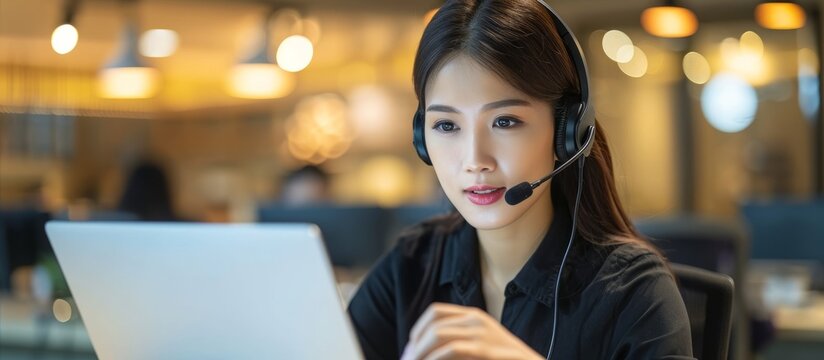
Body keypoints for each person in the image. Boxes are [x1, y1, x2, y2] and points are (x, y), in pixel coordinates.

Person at [346, 1, 694, 359]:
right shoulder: (411, 265)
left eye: (505, 121)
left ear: (566, 133)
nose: (475, 161)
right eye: (447, 126)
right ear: (422, 139)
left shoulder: (634, 292)